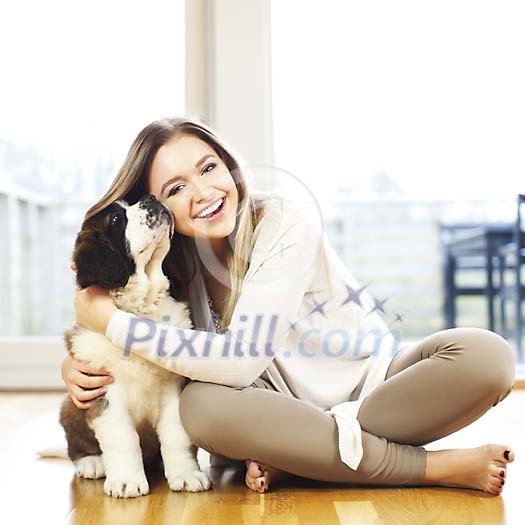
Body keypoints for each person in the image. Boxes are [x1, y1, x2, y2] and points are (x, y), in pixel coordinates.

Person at [62, 116, 516, 495]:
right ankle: (433, 468)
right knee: (199, 408)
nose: (203, 193)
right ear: (157, 209)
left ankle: (306, 459)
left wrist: (111, 322)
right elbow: (122, 335)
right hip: (276, 415)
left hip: (374, 390)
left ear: (231, 166)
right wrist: (73, 367)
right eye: (175, 189)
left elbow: (240, 363)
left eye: (208, 168)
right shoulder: (169, 265)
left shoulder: (282, 223)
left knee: (487, 356)